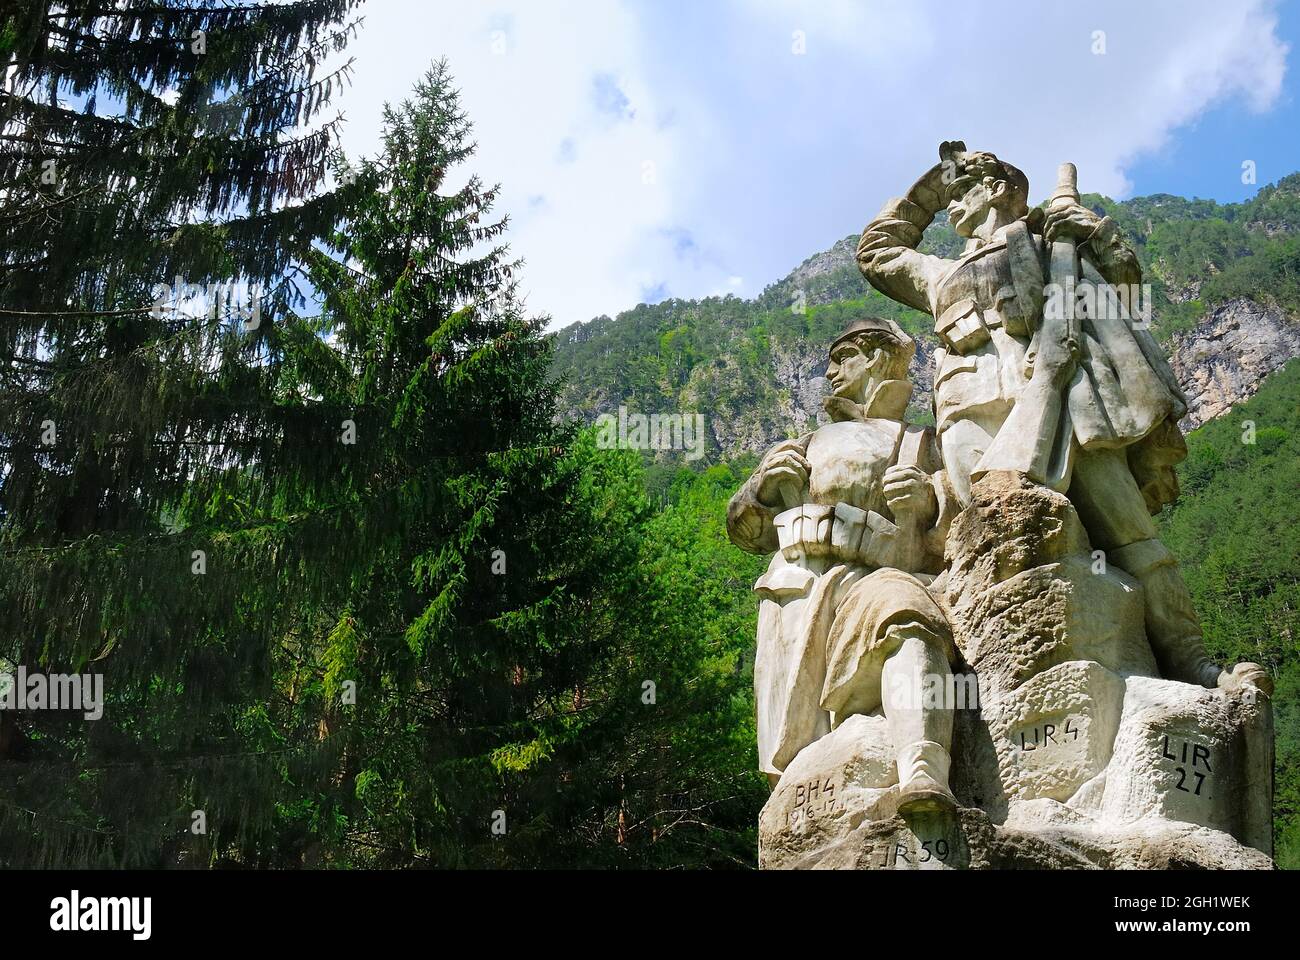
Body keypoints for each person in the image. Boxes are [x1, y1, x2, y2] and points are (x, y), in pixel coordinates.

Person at [855, 141, 1269, 697]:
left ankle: (1190, 659)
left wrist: (1096, 235)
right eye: (947, 196)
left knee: (1127, 531)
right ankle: (992, 685)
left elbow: (1122, 300)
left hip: (1066, 398)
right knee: (990, 541)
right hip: (970, 413)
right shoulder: (937, 273)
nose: (952, 204)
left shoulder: (1053, 241)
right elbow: (877, 251)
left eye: (964, 189)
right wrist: (934, 182)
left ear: (998, 188)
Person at [728, 317, 961, 813]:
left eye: (842, 358)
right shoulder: (805, 443)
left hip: (875, 576)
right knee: (795, 748)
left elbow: (960, 532)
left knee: (909, 620)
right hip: (799, 587)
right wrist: (760, 488)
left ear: (876, 358)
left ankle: (922, 766)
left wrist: (928, 502)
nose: (830, 371)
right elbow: (744, 530)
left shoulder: (924, 443)